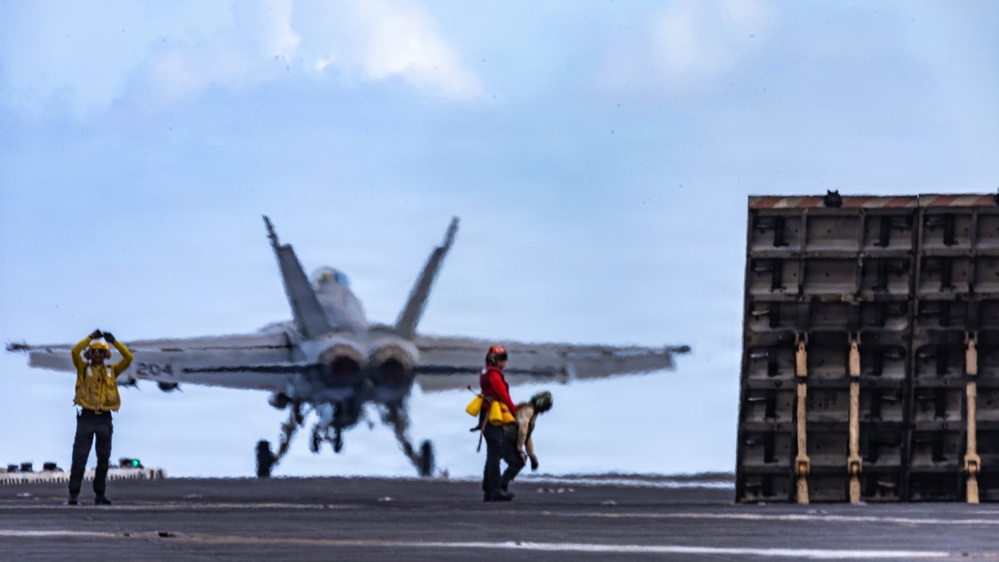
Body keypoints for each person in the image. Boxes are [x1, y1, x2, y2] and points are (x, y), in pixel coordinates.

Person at [68, 329, 133, 505]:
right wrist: (90, 337)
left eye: (101, 352)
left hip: (104, 419)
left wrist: (114, 342)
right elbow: (75, 352)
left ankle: (100, 495)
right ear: (89, 354)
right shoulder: (83, 369)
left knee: (103, 459)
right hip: (86, 418)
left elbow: (128, 358)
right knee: (79, 458)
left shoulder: (113, 371)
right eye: (94, 351)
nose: (97, 355)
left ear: (105, 355)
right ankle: (73, 495)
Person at [479, 344, 524, 502]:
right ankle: (496, 490)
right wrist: (513, 411)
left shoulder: (486, 372)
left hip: (487, 415)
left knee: (493, 453)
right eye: (502, 358)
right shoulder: (493, 375)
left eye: (505, 358)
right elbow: (503, 394)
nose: (505, 362)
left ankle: (489, 490)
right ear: (493, 359)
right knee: (494, 454)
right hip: (493, 416)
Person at [504, 391, 554, 472]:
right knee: (518, 462)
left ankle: (498, 482)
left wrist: (531, 455)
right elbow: (523, 431)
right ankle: (501, 483)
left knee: (495, 461)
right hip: (506, 438)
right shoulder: (529, 410)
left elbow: (527, 433)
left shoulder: (532, 412)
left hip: (507, 438)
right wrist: (519, 449)